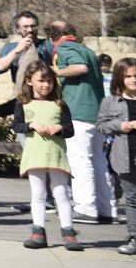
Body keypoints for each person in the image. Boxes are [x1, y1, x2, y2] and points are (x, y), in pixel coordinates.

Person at [45, 20, 112, 224]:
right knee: (99, 163)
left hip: (78, 111)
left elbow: (79, 67)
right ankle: (106, 209)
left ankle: (86, 209)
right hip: (97, 111)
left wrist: (55, 72)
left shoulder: (65, 47)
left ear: (51, 37)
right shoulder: (87, 49)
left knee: (80, 160)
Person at [16, 61, 78, 251]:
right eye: (41, 80)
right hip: (34, 155)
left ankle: (68, 232)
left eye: (49, 81)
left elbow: (70, 129)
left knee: (61, 193)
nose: (46, 85)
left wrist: (59, 127)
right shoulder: (23, 104)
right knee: (38, 194)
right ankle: (38, 232)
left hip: (56, 155)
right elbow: (17, 125)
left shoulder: (59, 104)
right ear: (29, 81)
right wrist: (31, 125)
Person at [94, 57, 136, 255]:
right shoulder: (109, 101)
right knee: (132, 198)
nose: (133, 79)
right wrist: (120, 125)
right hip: (124, 156)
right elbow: (101, 126)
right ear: (119, 77)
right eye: (128, 76)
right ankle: (134, 236)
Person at [0, 10, 50, 96]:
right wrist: (17, 50)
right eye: (25, 27)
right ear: (18, 29)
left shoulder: (47, 45)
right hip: (22, 94)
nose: (30, 30)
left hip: (46, 94)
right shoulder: (11, 47)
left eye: (33, 26)